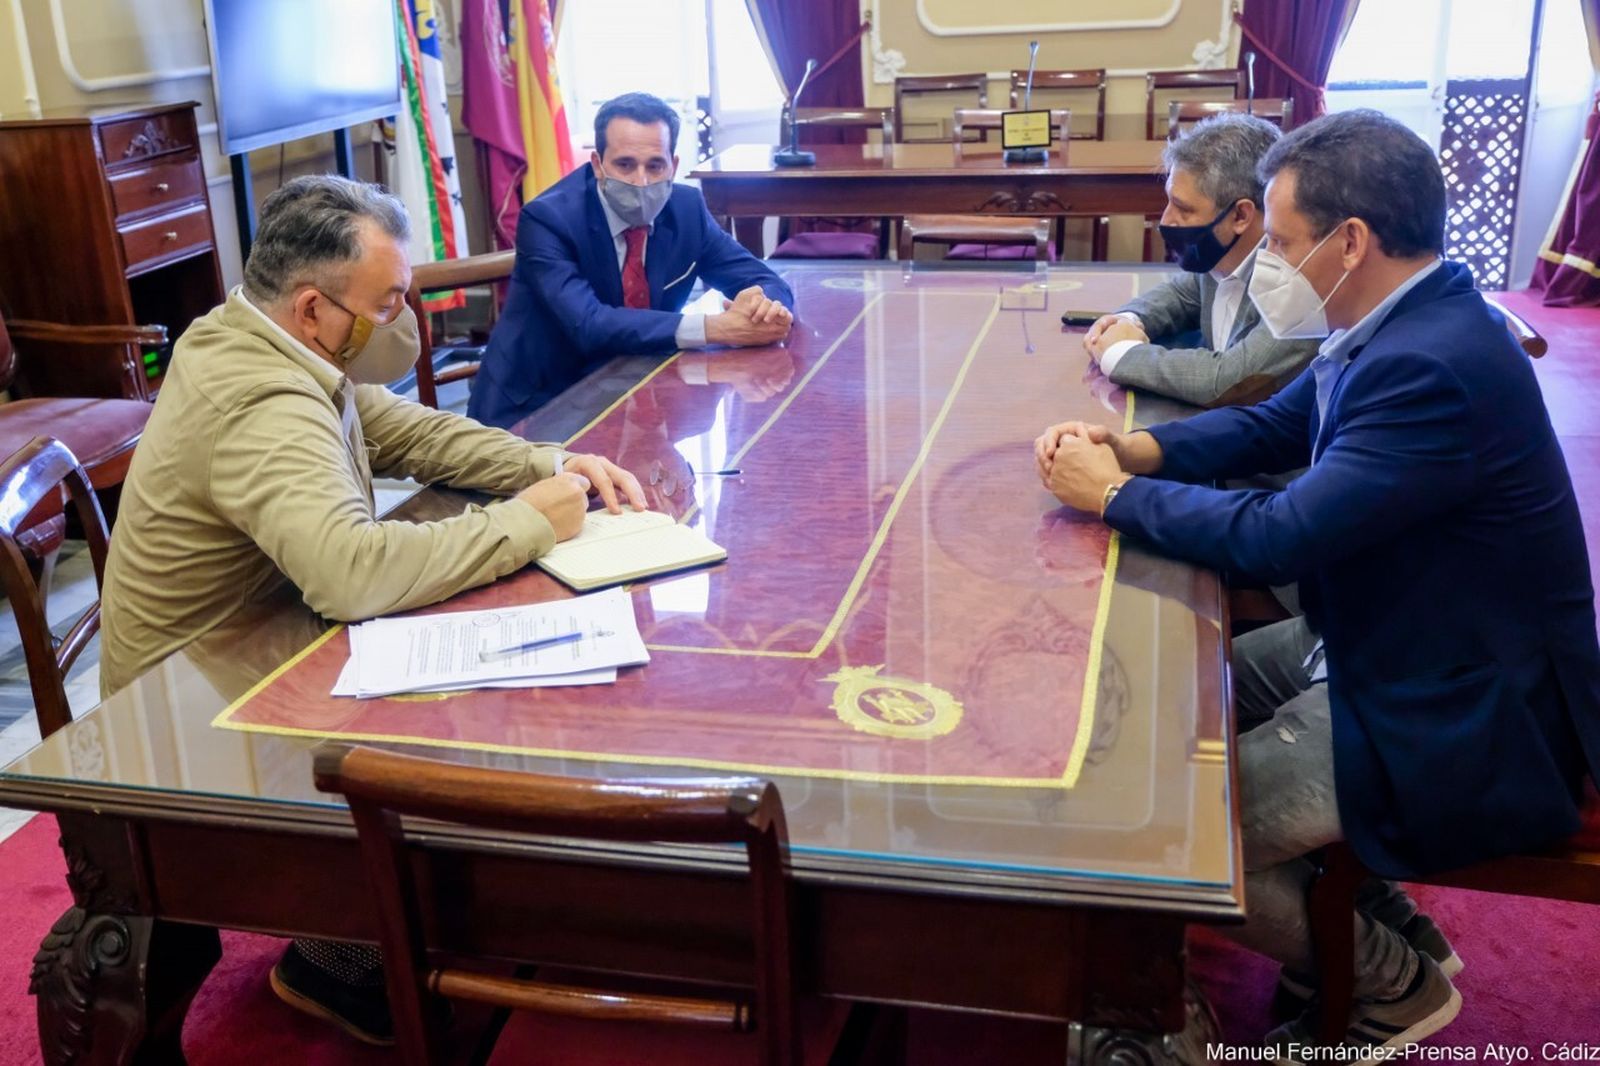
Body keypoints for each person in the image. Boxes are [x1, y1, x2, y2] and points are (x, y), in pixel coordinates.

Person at [1034, 110, 1600, 1058]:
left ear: (1351, 241)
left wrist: (1119, 495)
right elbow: (1273, 427)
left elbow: (1280, 537)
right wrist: (1134, 443)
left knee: (1161, 833)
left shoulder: (1433, 366)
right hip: (1389, 633)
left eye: (1286, 244)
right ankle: (1353, 905)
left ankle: (1392, 985)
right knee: (1175, 694)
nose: (1274, 266)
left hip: (1460, 699)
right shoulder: (1397, 311)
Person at [99, 174, 645, 1044]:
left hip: (255, 648)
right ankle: (343, 949)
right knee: (476, 727)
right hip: (200, 711)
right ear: (314, 307)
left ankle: (377, 926)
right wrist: (526, 525)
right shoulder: (260, 399)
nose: (407, 318)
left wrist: (545, 462)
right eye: (390, 300)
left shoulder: (268, 334)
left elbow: (403, 429)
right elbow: (352, 574)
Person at [469, 92, 796, 428]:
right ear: (597, 165)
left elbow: (764, 279)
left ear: (674, 165)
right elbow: (590, 325)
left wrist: (765, 311)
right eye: (625, 165)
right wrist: (717, 328)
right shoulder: (548, 219)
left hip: (639, 390)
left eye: (655, 165)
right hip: (541, 405)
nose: (641, 181)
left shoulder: (687, 210)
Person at [1081, 113, 1319, 407]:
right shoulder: (1220, 255)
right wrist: (1128, 320)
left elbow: (1229, 381)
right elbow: (1181, 293)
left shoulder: (1299, 279)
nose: (1166, 219)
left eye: (1183, 208)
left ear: (1241, 216)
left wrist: (1119, 353)